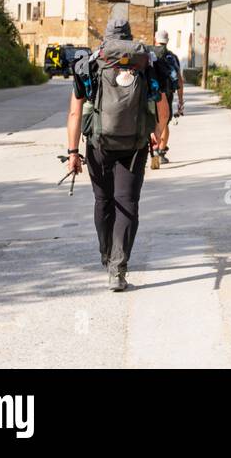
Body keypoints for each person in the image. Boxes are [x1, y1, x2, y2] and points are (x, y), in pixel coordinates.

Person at [64, 17, 169, 291]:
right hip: (134, 146)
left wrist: (73, 151)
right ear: (130, 36)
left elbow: (75, 112)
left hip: (99, 144)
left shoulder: (90, 63)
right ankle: (118, 270)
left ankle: (106, 253)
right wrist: (158, 132)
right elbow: (162, 103)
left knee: (104, 200)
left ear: (106, 37)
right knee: (128, 203)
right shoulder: (146, 62)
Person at [150, 28, 183, 166]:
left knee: (151, 121)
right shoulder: (172, 57)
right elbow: (179, 80)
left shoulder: (147, 54)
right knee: (163, 122)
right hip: (167, 92)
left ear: (154, 39)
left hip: (150, 92)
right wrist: (180, 100)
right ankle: (160, 152)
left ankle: (152, 149)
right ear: (167, 41)